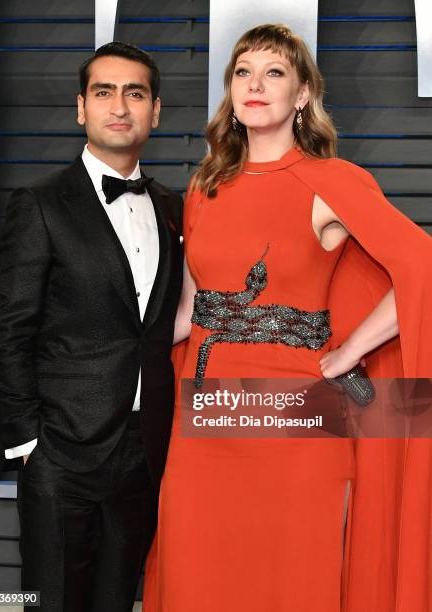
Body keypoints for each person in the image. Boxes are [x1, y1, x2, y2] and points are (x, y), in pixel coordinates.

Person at [143, 24, 432, 612]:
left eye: (274, 73)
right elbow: (191, 309)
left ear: (302, 95)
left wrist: (350, 354)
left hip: (296, 415)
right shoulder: (205, 187)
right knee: (199, 568)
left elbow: (421, 268)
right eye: (243, 72)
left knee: (290, 576)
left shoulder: (332, 182)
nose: (255, 85)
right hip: (206, 413)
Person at [0, 42, 183, 612]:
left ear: (156, 110)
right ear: (81, 108)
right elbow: (9, 330)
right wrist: (29, 445)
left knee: (119, 601)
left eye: (135, 93)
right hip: (59, 453)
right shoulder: (40, 204)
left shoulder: (172, 207)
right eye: (104, 92)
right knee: (51, 601)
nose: (119, 105)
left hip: (145, 452)